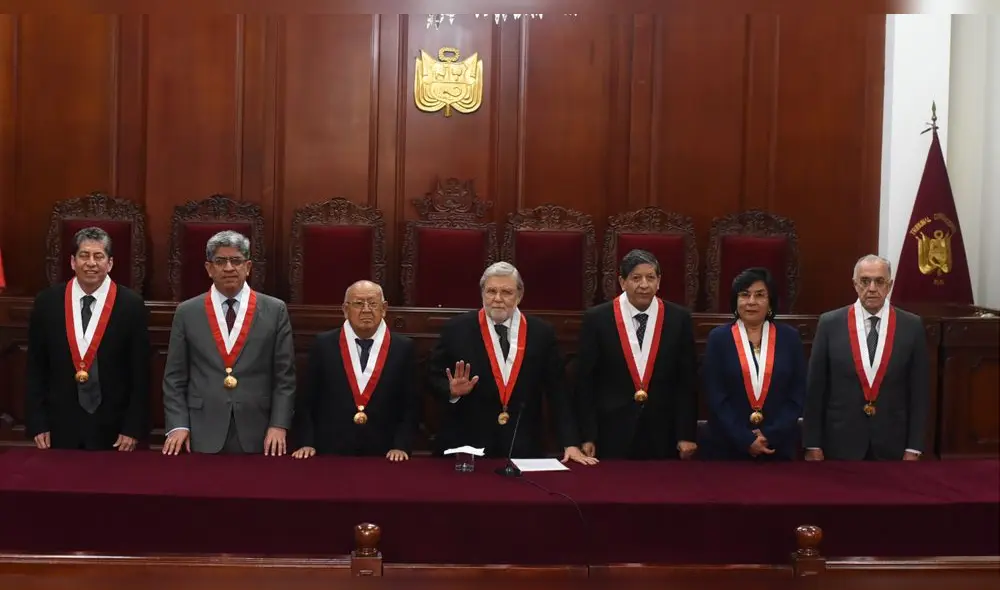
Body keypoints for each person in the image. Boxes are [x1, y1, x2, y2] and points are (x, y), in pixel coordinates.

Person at [428, 262, 595, 465]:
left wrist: (570, 442)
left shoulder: (541, 333)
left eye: (506, 292)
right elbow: (432, 377)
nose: (497, 299)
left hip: (523, 446)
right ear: (482, 294)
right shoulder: (456, 330)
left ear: (519, 295)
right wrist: (451, 391)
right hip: (468, 447)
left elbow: (558, 392)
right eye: (491, 291)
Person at [162, 230, 295, 455]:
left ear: (248, 266)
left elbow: (285, 377)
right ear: (209, 268)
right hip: (201, 428)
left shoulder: (275, 310)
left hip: (260, 430)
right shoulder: (187, 312)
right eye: (220, 261)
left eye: (236, 260)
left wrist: (279, 424)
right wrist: (178, 424)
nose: (229, 268)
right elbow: (174, 377)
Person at [24, 227, 150, 450]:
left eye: (98, 256)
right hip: (59, 426)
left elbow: (140, 372)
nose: (91, 263)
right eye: (84, 255)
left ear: (110, 263)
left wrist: (132, 427)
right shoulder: (47, 302)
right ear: (73, 262)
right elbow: (35, 367)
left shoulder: (131, 305)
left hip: (115, 428)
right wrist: (37, 422)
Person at [803, 254, 929, 461]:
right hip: (839, 442)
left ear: (889, 285)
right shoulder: (830, 323)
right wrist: (812, 443)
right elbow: (816, 388)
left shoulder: (912, 326)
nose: (871, 288)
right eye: (864, 281)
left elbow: (919, 392)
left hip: (893, 444)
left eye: (879, 281)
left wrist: (914, 447)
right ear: (854, 284)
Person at [574, 249, 698, 460]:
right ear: (622, 282)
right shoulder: (597, 319)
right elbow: (585, 382)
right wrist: (587, 435)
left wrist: (685, 434)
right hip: (610, 431)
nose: (644, 285)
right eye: (636, 278)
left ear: (659, 281)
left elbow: (687, 381)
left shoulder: (679, 319)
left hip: (663, 432)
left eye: (651, 278)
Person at [291, 280, 419, 461]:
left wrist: (401, 445)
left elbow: (410, 405)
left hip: (385, 452)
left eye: (373, 303)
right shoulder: (324, 344)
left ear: (384, 308)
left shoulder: (403, 347)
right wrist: (306, 442)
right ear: (345, 309)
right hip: (330, 449)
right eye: (359, 303)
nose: (366, 309)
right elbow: (306, 400)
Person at [701, 267, 806, 460]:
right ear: (736, 301)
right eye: (744, 295)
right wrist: (745, 439)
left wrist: (769, 435)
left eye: (759, 295)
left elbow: (797, 394)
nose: (751, 302)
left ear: (770, 302)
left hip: (778, 447)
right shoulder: (719, 339)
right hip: (728, 448)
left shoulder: (790, 338)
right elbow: (715, 396)